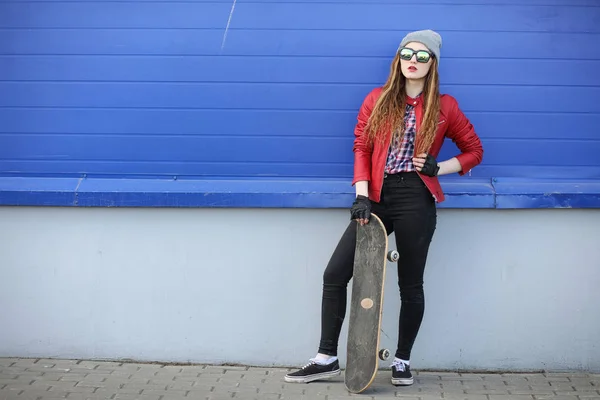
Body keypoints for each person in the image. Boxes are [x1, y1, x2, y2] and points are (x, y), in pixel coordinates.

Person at [284, 29, 483, 386]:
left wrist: (440, 167)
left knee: (411, 283)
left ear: (432, 64)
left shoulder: (445, 106)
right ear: (398, 59)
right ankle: (326, 356)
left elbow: (474, 150)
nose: (413, 61)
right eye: (408, 53)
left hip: (415, 199)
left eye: (423, 56)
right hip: (375, 196)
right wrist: (361, 195)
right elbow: (361, 146)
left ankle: (403, 361)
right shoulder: (377, 99)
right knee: (335, 273)